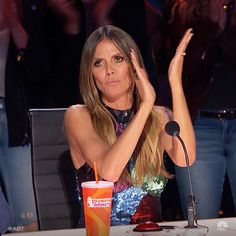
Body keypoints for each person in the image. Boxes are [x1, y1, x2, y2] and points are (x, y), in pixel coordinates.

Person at [64, 25, 195, 226]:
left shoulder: (158, 116)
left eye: (118, 59)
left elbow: (186, 158)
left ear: (134, 67)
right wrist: (145, 105)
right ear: (90, 73)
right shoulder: (79, 116)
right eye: (99, 63)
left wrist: (175, 83)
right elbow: (109, 171)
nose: (109, 71)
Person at [166, 0, 236, 219]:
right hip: (200, 126)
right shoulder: (185, 12)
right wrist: (211, 24)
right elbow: (185, 69)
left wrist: (228, 30)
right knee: (200, 220)